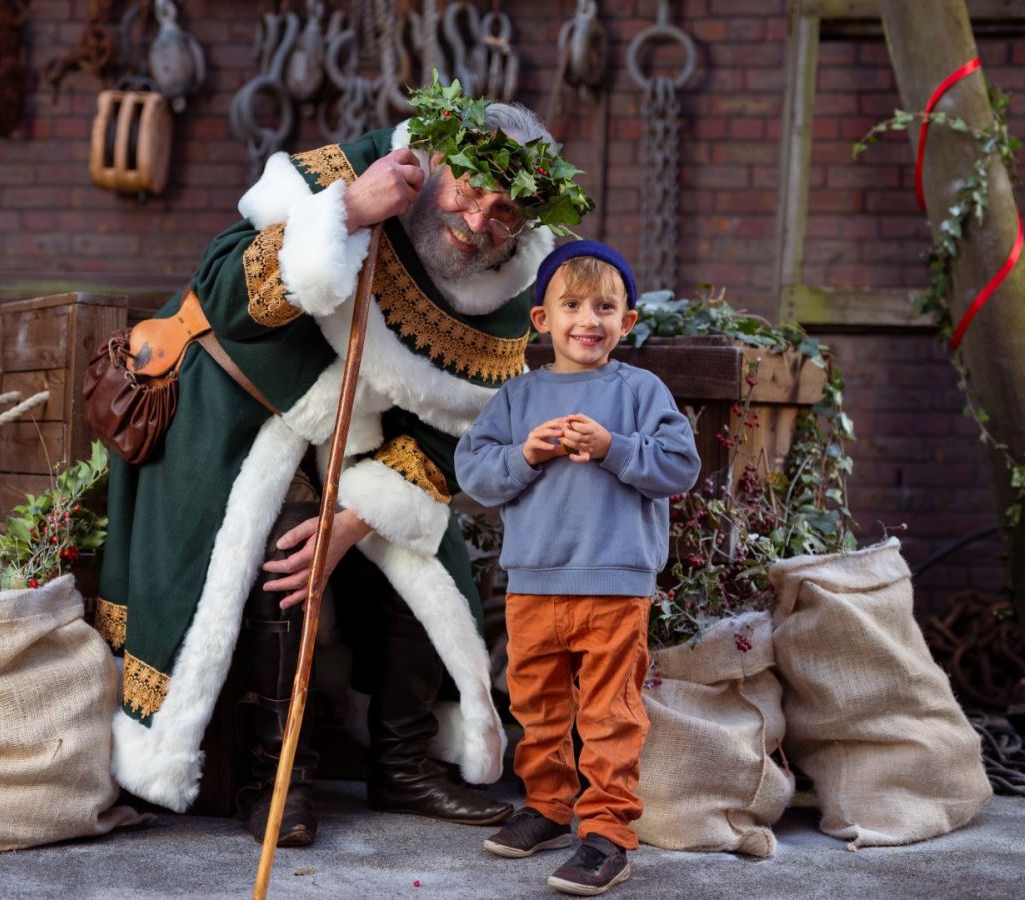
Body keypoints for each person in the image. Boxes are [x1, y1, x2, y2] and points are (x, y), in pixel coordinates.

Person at [95, 83, 593, 848]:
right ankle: (275, 779)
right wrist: (349, 213)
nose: (477, 223)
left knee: (422, 552)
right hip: (238, 405)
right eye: (469, 193)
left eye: (504, 213)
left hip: (359, 443)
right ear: (434, 163)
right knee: (281, 548)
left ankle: (402, 765)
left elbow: (465, 427)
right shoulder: (350, 170)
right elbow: (222, 292)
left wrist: (359, 517)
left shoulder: (508, 284)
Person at [454, 241, 700, 895]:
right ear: (541, 320)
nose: (588, 319)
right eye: (572, 305)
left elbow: (680, 466)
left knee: (609, 713)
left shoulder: (641, 391)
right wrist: (525, 456)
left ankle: (607, 834)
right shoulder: (518, 398)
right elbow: (474, 471)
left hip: (616, 585)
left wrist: (614, 447)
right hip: (534, 582)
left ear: (628, 321)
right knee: (537, 706)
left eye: (605, 307)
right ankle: (549, 807)